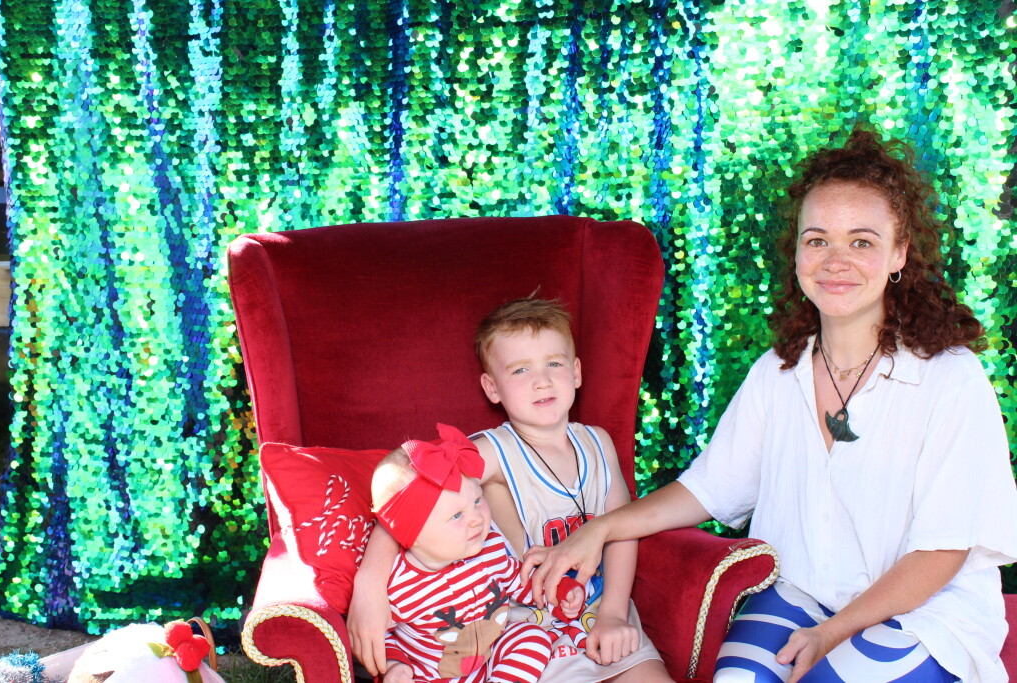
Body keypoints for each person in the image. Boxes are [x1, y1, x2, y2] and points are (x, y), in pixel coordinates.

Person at [521, 127, 1017, 683]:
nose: (835, 261)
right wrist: (601, 529)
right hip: (801, 594)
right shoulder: (776, 372)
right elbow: (708, 489)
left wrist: (832, 634)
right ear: (798, 251)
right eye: (817, 240)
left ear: (899, 253)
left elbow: (942, 553)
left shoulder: (950, 378)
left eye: (862, 242)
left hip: (923, 614)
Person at [350, 299, 675, 683]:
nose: (542, 380)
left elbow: (622, 529)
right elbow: (410, 501)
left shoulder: (598, 443)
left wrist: (614, 614)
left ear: (575, 372)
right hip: (530, 632)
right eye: (521, 369)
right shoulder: (491, 452)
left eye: (554, 364)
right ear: (493, 388)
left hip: (603, 612)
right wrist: (369, 585)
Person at [371, 423, 585, 683]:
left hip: (490, 655)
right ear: (413, 536)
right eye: (457, 515)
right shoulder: (400, 586)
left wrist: (559, 591)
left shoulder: (490, 547)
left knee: (533, 638)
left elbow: (518, 581)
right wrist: (394, 664)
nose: (477, 519)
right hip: (433, 675)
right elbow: (381, 634)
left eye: (477, 501)